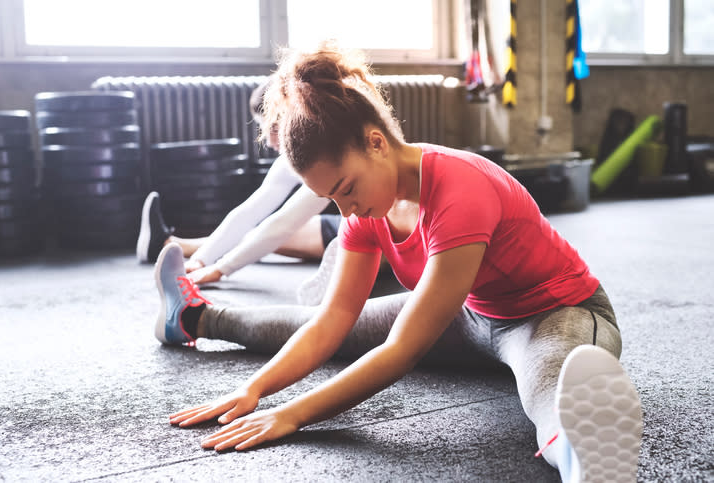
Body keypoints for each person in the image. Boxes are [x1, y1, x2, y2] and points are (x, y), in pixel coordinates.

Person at [152, 43, 642, 482]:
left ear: (376, 143)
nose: (345, 212)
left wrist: (294, 414)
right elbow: (331, 323)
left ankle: (587, 463)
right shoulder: (367, 210)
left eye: (345, 190)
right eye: (330, 198)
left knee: (548, 389)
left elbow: (402, 349)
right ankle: (191, 316)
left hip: (552, 314)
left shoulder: (460, 189)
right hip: (470, 313)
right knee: (308, 322)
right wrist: (256, 390)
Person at [136, 79, 343, 303]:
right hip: (338, 222)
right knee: (256, 234)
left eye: (274, 128)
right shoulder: (287, 161)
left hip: (377, 229)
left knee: (271, 233)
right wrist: (201, 261)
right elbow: (250, 211)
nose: (270, 141)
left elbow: (285, 223)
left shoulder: (326, 157)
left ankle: (348, 272)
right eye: (262, 128)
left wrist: (221, 269)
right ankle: (173, 246)